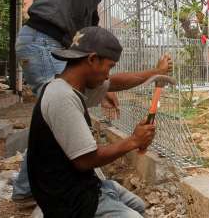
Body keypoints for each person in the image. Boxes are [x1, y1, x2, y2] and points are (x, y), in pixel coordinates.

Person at [13, 0, 158, 204]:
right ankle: (72, 191)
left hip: (49, 41)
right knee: (63, 116)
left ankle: (27, 189)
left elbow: (87, 34)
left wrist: (98, 84)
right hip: (43, 39)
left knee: (54, 118)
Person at [27, 26, 167, 217]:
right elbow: (86, 160)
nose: (108, 75)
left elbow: (116, 82)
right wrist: (133, 140)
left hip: (83, 186)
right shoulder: (62, 97)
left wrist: (156, 72)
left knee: (138, 206)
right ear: (92, 59)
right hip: (69, 202)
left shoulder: (71, 87)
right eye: (109, 66)